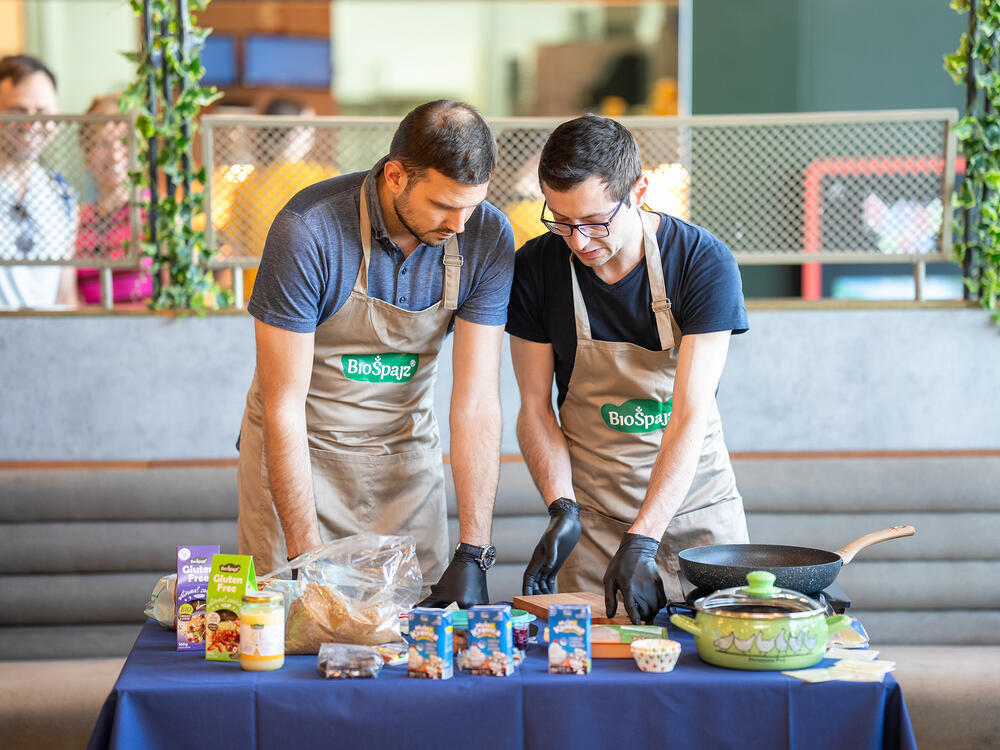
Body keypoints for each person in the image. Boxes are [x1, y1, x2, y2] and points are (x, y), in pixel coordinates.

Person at [237, 100, 515, 608]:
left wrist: (475, 551)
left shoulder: (486, 235)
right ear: (394, 176)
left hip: (404, 460)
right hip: (305, 457)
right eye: (443, 205)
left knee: (414, 646)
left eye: (471, 206)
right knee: (299, 632)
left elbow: (477, 403)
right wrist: (307, 558)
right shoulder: (309, 230)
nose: (459, 223)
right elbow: (283, 407)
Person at [507, 114, 749, 624]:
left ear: (638, 190)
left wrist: (643, 538)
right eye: (561, 220)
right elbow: (534, 409)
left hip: (696, 513)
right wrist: (562, 509)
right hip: (594, 520)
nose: (578, 241)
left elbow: (689, 414)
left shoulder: (702, 263)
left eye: (595, 222)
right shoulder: (537, 269)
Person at [222, 97, 330, 298]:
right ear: (296, 133)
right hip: (309, 293)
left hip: (255, 292)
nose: (314, 135)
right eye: (309, 128)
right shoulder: (324, 179)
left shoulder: (246, 187)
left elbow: (235, 248)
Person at [0, 54, 77, 308]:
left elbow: (65, 295)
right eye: (17, 112)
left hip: (46, 342)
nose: (31, 123)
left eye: (42, 112)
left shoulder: (62, 194)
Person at [75, 94, 151, 304]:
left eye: (124, 142)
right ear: (87, 153)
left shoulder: (155, 214)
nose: (115, 155)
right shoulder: (77, 221)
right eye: (103, 144)